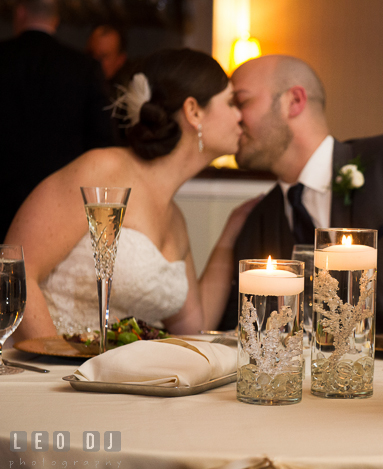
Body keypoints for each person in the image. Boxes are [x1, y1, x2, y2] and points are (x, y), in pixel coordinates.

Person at [217, 54, 383, 333]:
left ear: (294, 101)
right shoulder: (257, 219)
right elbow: (241, 325)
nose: (233, 117)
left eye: (241, 102)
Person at [7, 48, 257, 341]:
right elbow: (17, 271)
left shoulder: (175, 219)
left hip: (120, 382)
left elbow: (192, 329)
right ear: (193, 111)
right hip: (55, 373)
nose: (241, 117)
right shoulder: (101, 170)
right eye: (231, 103)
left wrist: (230, 234)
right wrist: (51, 367)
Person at [0, 0, 114, 241]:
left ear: (20, 13)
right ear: (56, 19)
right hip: (61, 207)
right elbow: (102, 143)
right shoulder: (83, 68)